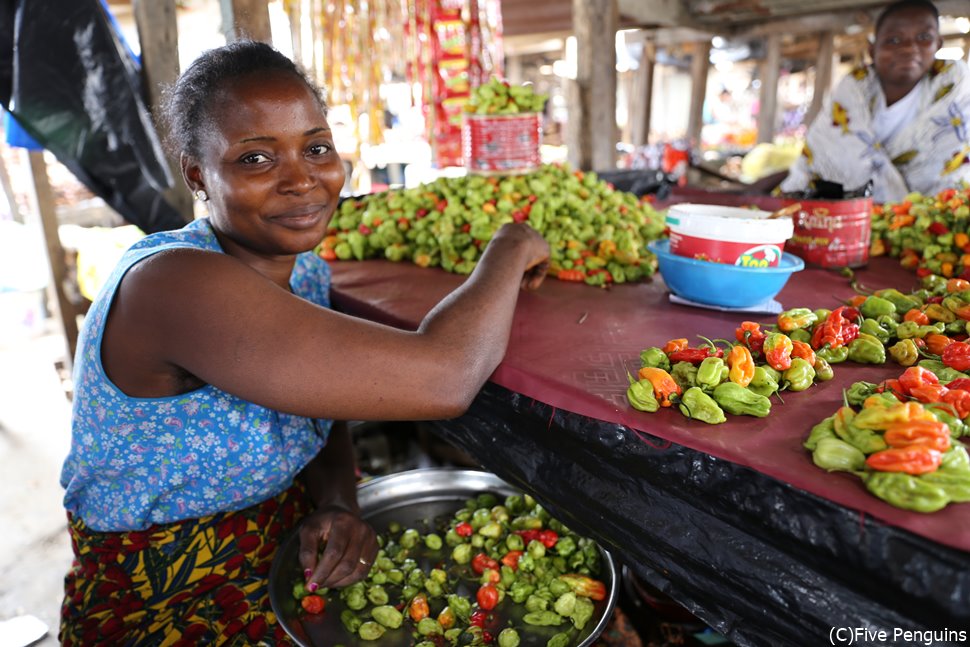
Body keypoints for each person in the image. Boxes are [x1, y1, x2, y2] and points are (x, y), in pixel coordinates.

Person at [58, 40, 550, 645]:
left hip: (289, 541)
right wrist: (511, 246)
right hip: (167, 593)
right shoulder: (175, 285)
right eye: (256, 159)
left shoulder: (305, 272)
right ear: (197, 173)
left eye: (317, 148)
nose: (303, 180)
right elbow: (445, 377)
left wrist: (339, 504)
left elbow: (320, 407)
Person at [778, 0, 970, 203]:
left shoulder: (955, 84)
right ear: (872, 50)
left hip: (935, 217)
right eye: (893, 40)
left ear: (937, 44)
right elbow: (824, 157)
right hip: (849, 216)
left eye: (924, 37)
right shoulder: (853, 88)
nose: (909, 48)